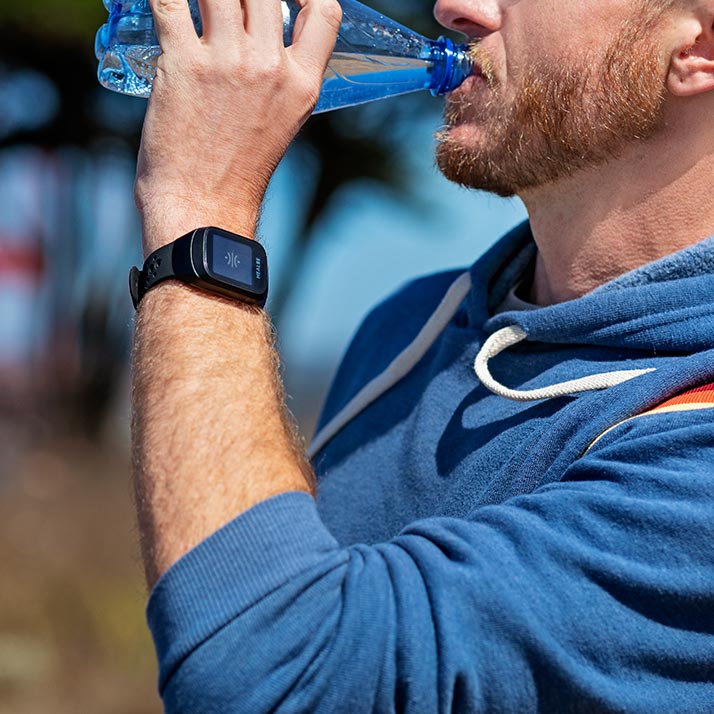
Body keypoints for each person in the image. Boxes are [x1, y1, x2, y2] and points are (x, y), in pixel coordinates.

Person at [130, 0, 714, 710]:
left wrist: (199, 207)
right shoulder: (411, 326)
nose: (452, 8)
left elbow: (277, 678)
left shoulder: (695, 454)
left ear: (699, 48)